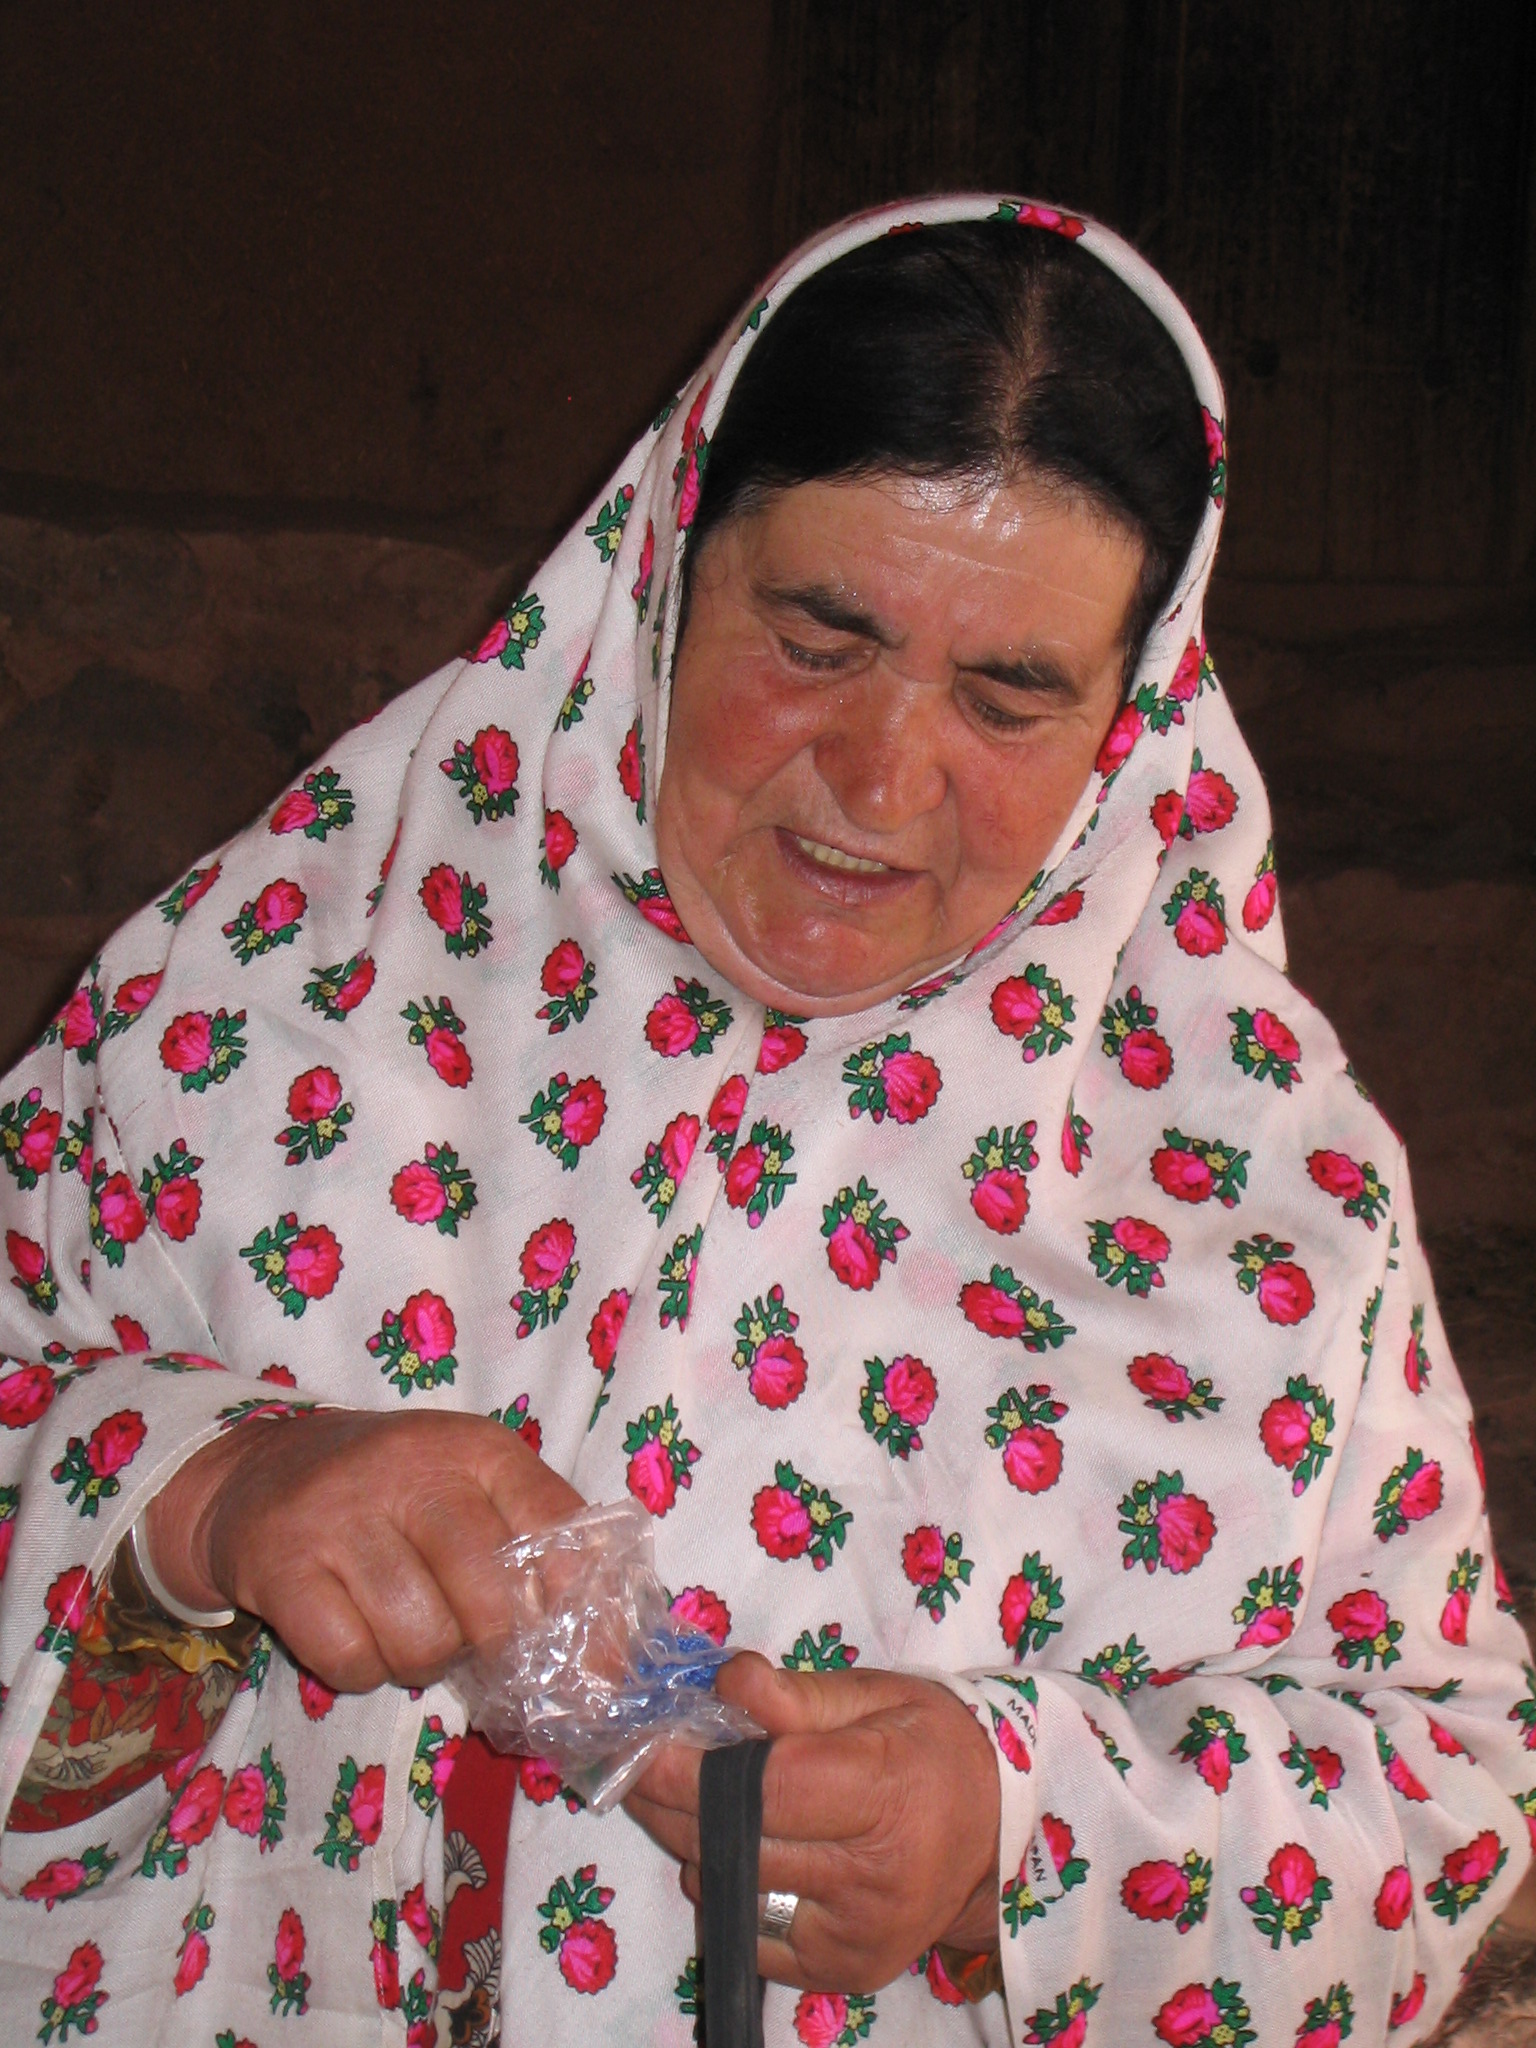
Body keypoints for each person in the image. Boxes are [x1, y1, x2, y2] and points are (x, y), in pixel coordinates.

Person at [0, 194, 1528, 2048]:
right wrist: (197, 1495)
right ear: (660, 574)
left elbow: (1441, 1772)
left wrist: (1011, 1834)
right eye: (817, 637)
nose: (883, 779)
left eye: (1011, 695)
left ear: (1135, 727)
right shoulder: (256, 1007)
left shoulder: (1265, 1206)